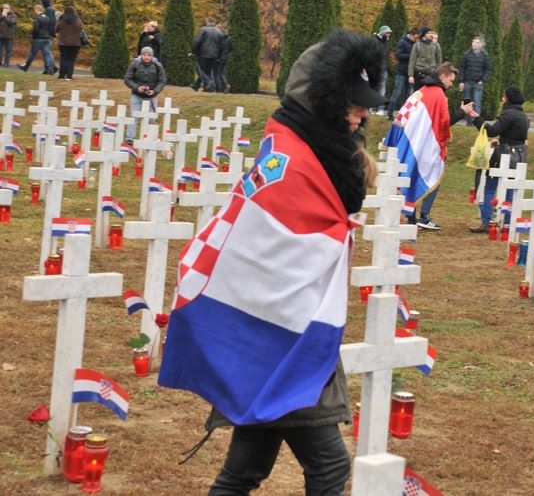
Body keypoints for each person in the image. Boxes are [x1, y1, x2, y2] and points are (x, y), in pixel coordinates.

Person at [159, 29, 385, 495]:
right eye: (353, 103)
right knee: (328, 466)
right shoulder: (295, 161)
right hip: (283, 338)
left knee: (245, 468)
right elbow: (273, 247)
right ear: (325, 102)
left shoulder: (316, 153)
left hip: (285, 334)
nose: (363, 113)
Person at [402, 62, 465, 230]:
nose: (451, 85)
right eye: (451, 80)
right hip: (427, 146)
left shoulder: (421, 91)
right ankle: (424, 216)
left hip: (414, 143)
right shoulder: (439, 95)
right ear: (443, 76)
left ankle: (411, 216)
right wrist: (462, 112)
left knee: (412, 177)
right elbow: (444, 123)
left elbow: (404, 115)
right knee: (432, 177)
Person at [463, 86, 529, 232]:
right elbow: (515, 136)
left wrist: (476, 118)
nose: (502, 99)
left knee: (490, 188)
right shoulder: (523, 116)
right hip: (518, 156)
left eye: (504, 96)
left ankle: (487, 222)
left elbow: (492, 131)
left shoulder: (507, 114)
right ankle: (507, 224)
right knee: (510, 191)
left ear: (508, 98)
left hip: (503, 155)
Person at [123, 47, 167, 142]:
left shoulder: (158, 65)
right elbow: (127, 79)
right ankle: (130, 138)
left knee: (151, 118)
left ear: (152, 56)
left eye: (149, 55)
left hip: (151, 96)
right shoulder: (135, 64)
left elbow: (162, 80)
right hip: (137, 95)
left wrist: (155, 91)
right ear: (141, 55)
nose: (146, 57)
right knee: (134, 116)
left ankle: (151, 137)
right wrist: (137, 88)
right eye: (144, 55)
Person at [459, 36, 493, 120]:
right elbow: (462, 68)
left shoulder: (485, 56)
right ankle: (469, 122)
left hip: (478, 83)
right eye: (473, 42)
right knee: (467, 103)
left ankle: (476, 122)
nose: (474, 44)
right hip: (467, 83)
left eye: (477, 42)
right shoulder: (467, 55)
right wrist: (462, 81)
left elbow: (488, 69)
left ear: (480, 44)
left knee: (477, 104)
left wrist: (483, 80)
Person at [388, 27, 419, 118]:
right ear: (411, 35)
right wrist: (411, 56)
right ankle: (390, 113)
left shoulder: (415, 44)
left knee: (407, 95)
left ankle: (404, 115)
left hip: (410, 73)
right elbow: (398, 55)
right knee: (397, 92)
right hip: (401, 72)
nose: (416, 39)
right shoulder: (402, 42)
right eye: (415, 37)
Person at [18, 4, 55, 74]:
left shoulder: (37, 18)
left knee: (33, 53)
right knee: (47, 53)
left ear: (36, 10)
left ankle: (26, 66)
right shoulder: (47, 18)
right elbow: (50, 28)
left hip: (39, 38)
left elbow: (36, 29)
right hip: (47, 38)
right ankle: (50, 68)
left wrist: (34, 37)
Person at [191, 17, 224, 91]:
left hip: (204, 53)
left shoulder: (203, 29)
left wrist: (193, 51)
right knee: (207, 71)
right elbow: (221, 46)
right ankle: (199, 86)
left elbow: (197, 41)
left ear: (207, 22)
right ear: (214, 23)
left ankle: (209, 82)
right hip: (215, 55)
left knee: (200, 70)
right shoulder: (219, 32)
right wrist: (219, 56)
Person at [55, 6, 84, 81]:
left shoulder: (61, 20)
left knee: (63, 58)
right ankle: (69, 75)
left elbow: (56, 29)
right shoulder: (77, 20)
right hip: (75, 43)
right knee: (71, 59)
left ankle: (61, 75)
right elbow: (81, 28)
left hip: (63, 42)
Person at [373, 25, 392, 100]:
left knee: (382, 88)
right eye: (387, 33)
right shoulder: (374, 40)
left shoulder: (385, 42)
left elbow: (386, 56)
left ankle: (380, 105)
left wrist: (388, 68)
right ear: (383, 33)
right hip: (376, 68)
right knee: (375, 87)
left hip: (383, 68)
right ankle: (373, 104)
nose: (389, 35)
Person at [213, 22, 232, 93]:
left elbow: (219, 48)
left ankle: (218, 88)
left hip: (219, 58)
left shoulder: (219, 37)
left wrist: (217, 57)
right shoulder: (228, 37)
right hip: (225, 57)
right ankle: (226, 85)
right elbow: (231, 47)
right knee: (221, 72)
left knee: (216, 73)